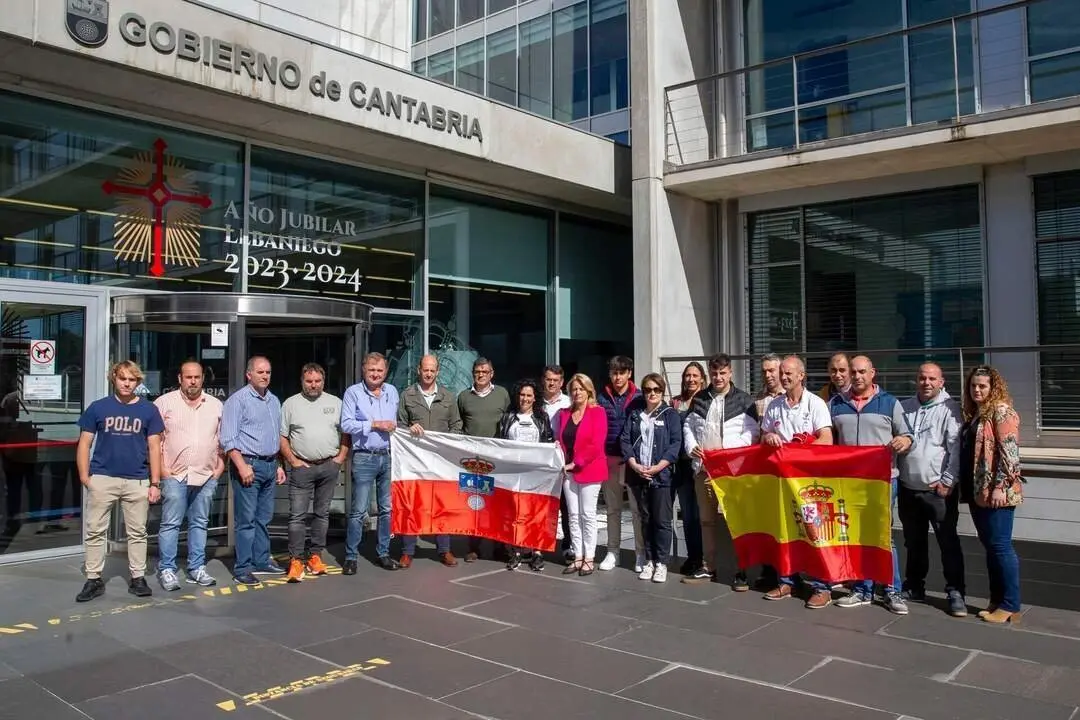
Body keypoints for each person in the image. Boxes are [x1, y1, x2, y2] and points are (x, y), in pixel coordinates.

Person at [75, 360, 164, 602]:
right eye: (122, 378)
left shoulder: (148, 410)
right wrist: (85, 476)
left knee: (138, 532)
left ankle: (137, 577)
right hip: (103, 477)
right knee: (95, 531)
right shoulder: (98, 408)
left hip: (137, 480)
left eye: (132, 379)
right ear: (113, 378)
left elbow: (154, 447)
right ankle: (93, 579)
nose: (127, 383)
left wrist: (155, 483)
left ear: (138, 382)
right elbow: (84, 443)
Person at [831, 355, 914, 615]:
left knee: (882, 536)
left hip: (882, 481)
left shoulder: (889, 403)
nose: (857, 376)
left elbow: (908, 434)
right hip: (850, 482)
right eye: (853, 372)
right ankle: (861, 589)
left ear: (872, 373)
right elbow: (826, 442)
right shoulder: (836, 404)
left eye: (862, 372)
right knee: (856, 536)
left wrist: (904, 441)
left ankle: (891, 589)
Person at [759, 355, 835, 609]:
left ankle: (822, 586)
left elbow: (827, 439)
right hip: (782, 480)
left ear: (802, 375)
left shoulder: (816, 404)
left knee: (815, 532)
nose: (784, 377)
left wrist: (804, 447)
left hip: (810, 483)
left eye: (789, 373)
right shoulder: (774, 406)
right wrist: (769, 436)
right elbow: (763, 435)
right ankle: (787, 581)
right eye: (782, 373)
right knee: (785, 531)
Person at [682, 353, 760, 587]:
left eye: (722, 373)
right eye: (714, 373)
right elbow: (688, 425)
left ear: (730, 373)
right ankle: (709, 566)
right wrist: (691, 446)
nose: (718, 377)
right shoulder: (699, 400)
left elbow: (753, 434)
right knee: (706, 521)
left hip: (732, 474)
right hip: (704, 470)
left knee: (735, 521)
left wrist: (729, 453)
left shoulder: (745, 400)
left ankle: (741, 570)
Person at [897, 363, 966, 617]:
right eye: (922, 378)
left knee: (947, 542)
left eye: (932, 379)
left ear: (941, 381)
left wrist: (948, 480)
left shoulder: (950, 408)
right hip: (908, 487)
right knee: (913, 542)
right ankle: (914, 586)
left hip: (938, 490)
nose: (926, 382)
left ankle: (955, 591)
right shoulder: (903, 406)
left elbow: (955, 448)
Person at [960, 365, 1024, 624]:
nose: (977, 389)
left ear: (992, 387)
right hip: (979, 491)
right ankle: (997, 599)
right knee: (991, 548)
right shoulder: (977, 414)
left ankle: (1010, 604)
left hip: (998, 492)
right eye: (973, 385)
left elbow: (1010, 454)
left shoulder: (1001, 412)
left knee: (1001, 546)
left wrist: (1000, 486)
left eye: (982, 385)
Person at [154, 360, 224, 591]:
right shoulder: (164, 403)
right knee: (171, 523)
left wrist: (219, 468)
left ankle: (196, 568)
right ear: (180, 379)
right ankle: (167, 569)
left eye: (197, 377)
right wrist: (162, 470)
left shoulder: (216, 405)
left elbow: (223, 440)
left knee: (200, 523)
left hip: (205, 475)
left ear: (203, 378)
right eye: (188, 377)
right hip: (175, 475)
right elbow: (153, 441)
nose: (192, 381)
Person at [221, 356, 287, 586]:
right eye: (260, 372)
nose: (265, 376)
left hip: (269, 465)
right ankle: (243, 567)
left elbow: (275, 435)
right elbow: (228, 439)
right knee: (246, 520)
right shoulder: (237, 401)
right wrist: (241, 466)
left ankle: (261, 560)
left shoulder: (274, 401)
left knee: (264, 518)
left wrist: (278, 465)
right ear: (249, 374)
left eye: (268, 372)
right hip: (248, 465)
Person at [279, 363, 349, 583]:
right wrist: (292, 461)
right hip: (302, 468)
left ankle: (316, 556)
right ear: (302, 381)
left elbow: (346, 433)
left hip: (328, 466)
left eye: (317, 381)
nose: (313, 385)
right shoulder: (290, 404)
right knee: (297, 517)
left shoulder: (336, 403)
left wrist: (340, 458)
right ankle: (296, 560)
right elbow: (282, 437)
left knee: (322, 515)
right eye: (309, 381)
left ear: (323, 381)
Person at [397, 354, 462, 567]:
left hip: (441, 462)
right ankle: (407, 551)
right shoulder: (407, 395)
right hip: (414, 462)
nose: (428, 373)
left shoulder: (448, 396)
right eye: (425, 369)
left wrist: (447, 446)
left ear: (438, 372)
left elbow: (457, 425)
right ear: (418, 370)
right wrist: (408, 429)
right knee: (411, 504)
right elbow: (398, 424)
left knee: (442, 505)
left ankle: (444, 550)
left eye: (432, 370)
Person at [340, 352, 401, 574]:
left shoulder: (393, 392)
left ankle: (383, 553)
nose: (375, 374)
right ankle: (350, 557)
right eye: (371, 370)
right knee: (358, 511)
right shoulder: (353, 393)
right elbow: (346, 424)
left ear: (385, 372)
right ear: (363, 371)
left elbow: (398, 422)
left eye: (380, 370)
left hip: (387, 455)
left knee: (386, 509)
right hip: (364, 456)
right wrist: (374, 424)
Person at [619, 373, 682, 584]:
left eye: (656, 389)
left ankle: (662, 562)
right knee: (645, 520)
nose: (652, 393)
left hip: (661, 476)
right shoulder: (636, 414)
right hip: (639, 476)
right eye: (648, 390)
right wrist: (634, 465)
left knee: (661, 521)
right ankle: (649, 560)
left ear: (662, 391)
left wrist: (658, 467)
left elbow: (675, 444)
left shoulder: (670, 415)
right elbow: (625, 439)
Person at [496, 378, 555, 572]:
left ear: (534, 397)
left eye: (529, 395)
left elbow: (549, 443)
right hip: (513, 475)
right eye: (522, 394)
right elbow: (499, 444)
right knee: (515, 513)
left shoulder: (542, 417)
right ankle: (517, 551)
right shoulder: (507, 417)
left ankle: (537, 552)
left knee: (536, 513)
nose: (525, 398)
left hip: (536, 474)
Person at [554, 373, 608, 576]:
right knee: (573, 516)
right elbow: (560, 440)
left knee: (587, 515)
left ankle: (589, 558)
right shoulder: (564, 413)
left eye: (580, 389)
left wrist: (577, 463)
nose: (577, 392)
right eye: (574, 389)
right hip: (567, 471)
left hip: (590, 470)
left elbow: (596, 443)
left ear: (589, 391)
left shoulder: (598, 412)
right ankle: (577, 556)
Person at [459, 357, 511, 562]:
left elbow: (509, 421)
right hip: (472, 460)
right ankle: (474, 546)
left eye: (484, 372)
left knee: (498, 503)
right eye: (477, 372)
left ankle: (499, 546)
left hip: (497, 459)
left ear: (492, 374)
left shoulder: (502, 394)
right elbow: (458, 426)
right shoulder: (463, 397)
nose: (480, 375)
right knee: (474, 502)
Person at [597, 355, 645, 572]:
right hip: (609, 459)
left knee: (636, 510)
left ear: (629, 374)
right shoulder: (602, 397)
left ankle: (640, 553)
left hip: (633, 460)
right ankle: (612, 551)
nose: (618, 377)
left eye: (622, 373)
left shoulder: (640, 397)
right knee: (612, 509)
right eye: (614, 373)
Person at [670, 361, 705, 577]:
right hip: (682, 465)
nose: (691, 379)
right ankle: (693, 557)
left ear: (702, 378)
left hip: (701, 464)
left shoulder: (706, 401)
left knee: (704, 514)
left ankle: (706, 559)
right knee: (689, 514)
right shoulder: (676, 402)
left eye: (695, 375)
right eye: (687, 376)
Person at [541, 365, 572, 561]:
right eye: (548, 379)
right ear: (543, 380)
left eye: (555, 380)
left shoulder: (569, 403)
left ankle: (568, 545)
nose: (551, 383)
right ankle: (539, 544)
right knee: (542, 506)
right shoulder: (536, 402)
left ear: (561, 382)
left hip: (563, 461)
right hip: (542, 462)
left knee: (566, 506)